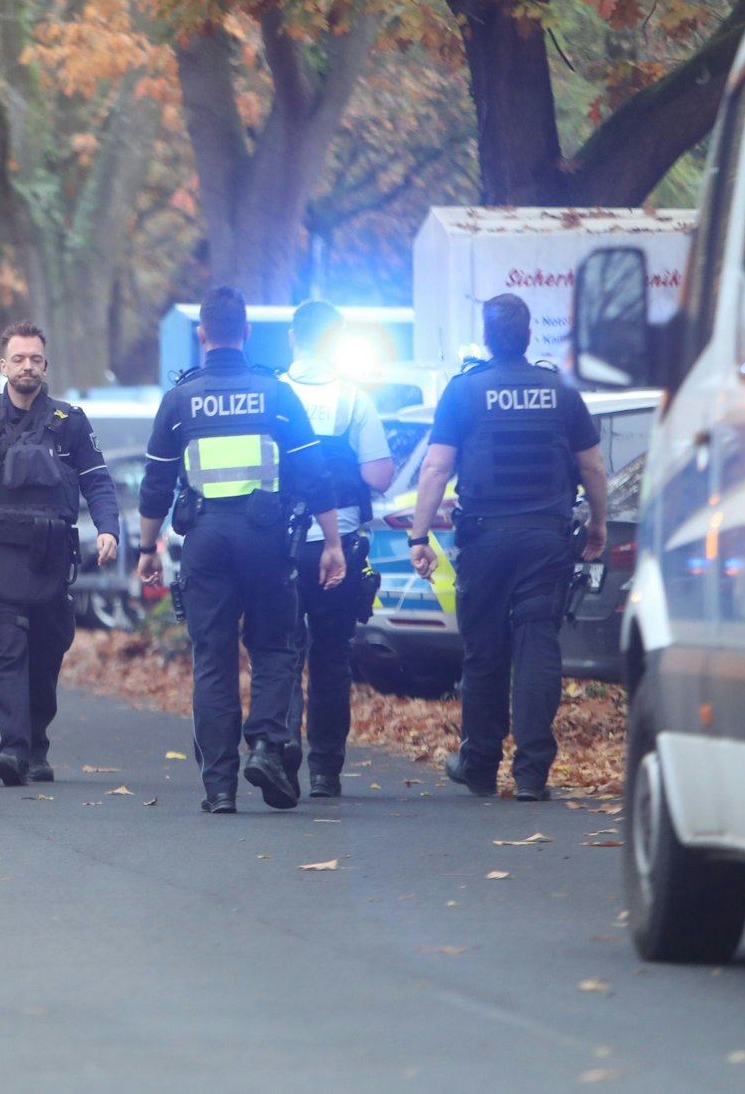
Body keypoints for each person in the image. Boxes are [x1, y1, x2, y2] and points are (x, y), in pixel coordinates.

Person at [136, 287, 345, 814]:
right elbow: (314, 476)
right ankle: (269, 748)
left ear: (202, 334)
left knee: (213, 658)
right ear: (248, 332)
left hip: (205, 540)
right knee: (274, 648)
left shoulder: (181, 400)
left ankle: (220, 787)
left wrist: (146, 548)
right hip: (267, 539)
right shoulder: (275, 395)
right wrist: (334, 542)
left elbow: (156, 483)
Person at [408, 294, 606, 802]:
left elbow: (434, 468)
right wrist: (600, 524)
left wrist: (419, 534)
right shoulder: (559, 389)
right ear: (528, 334)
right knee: (538, 646)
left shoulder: (465, 391)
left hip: (485, 538)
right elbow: (592, 468)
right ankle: (532, 774)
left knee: (484, 652)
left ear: (487, 335)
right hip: (545, 537)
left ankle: (478, 765)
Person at [0, 322, 119, 786]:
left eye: (35, 359)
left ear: (45, 365)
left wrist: (108, 529)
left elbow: (97, 479)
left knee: (46, 652)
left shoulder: (69, 421)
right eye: (18, 358)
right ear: (4, 365)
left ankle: (36, 744)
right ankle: (12, 750)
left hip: (52, 559)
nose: (27, 366)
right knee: (10, 649)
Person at [281, 301, 394, 798]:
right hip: (340, 547)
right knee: (330, 658)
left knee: (279, 655)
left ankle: (280, 753)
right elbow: (380, 475)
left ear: (293, 338)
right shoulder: (354, 398)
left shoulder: (273, 393)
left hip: (281, 546)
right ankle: (325, 770)